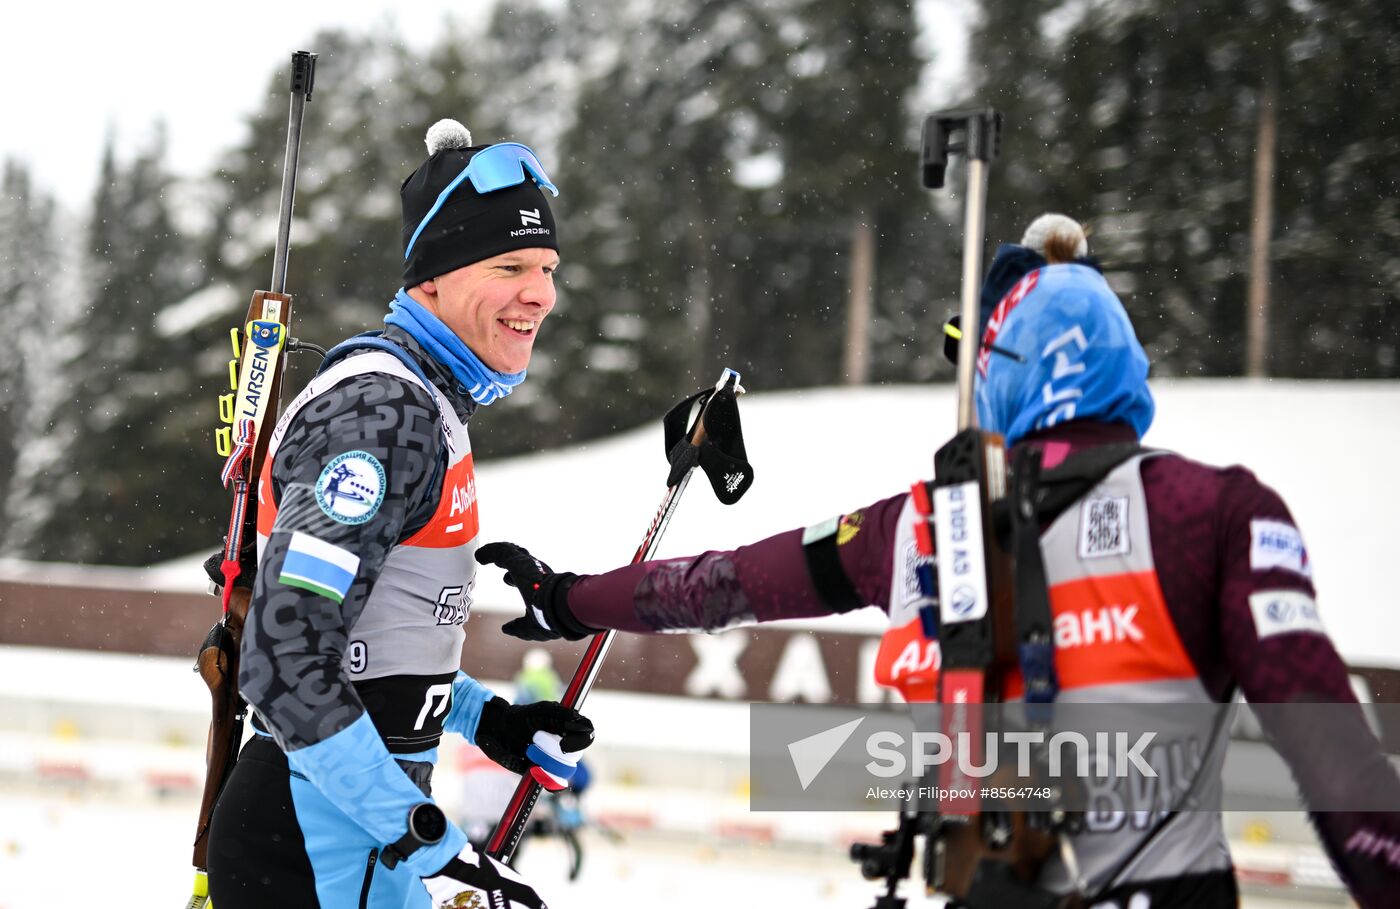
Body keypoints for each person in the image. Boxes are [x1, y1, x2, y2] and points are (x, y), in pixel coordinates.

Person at [475, 215, 1400, 908]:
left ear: (997, 373)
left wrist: (568, 599)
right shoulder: (1217, 509)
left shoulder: (920, 523)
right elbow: (1336, 764)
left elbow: (721, 583)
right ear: (1128, 368)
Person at [206, 119, 594, 909]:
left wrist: (490, 722)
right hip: (313, 849)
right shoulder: (383, 412)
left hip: (354, 845)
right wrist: (428, 841)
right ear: (432, 282)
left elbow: (369, 662)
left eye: (548, 267)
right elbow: (285, 661)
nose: (541, 294)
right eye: (511, 265)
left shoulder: (423, 406)